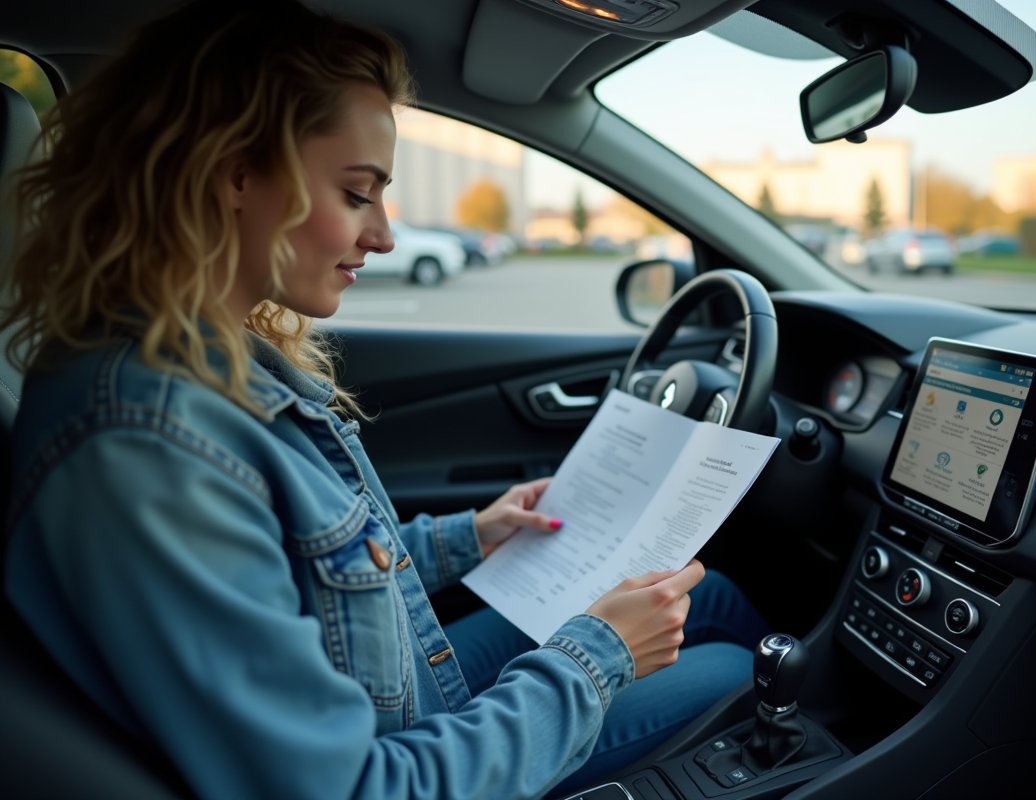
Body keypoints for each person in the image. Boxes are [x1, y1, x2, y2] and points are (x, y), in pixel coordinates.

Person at [0, 1, 770, 798]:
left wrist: (472, 535)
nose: (385, 236)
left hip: (396, 702)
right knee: (737, 672)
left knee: (698, 593)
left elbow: (307, 568)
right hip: (407, 757)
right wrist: (598, 654)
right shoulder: (147, 441)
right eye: (357, 193)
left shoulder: (200, 357)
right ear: (235, 172)